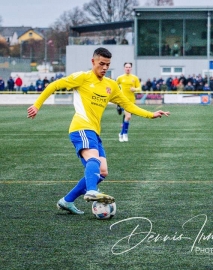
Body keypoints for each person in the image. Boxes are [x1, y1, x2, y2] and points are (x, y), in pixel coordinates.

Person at [27, 47, 169, 215]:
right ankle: (91, 191)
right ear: (92, 61)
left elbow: (127, 105)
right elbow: (54, 85)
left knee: (102, 171)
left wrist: (150, 114)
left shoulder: (110, 85)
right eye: (101, 64)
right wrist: (37, 105)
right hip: (80, 127)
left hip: (94, 131)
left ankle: (67, 201)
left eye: (107, 65)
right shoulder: (82, 77)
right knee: (93, 158)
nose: (104, 68)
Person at [116, 62, 142, 142]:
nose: (128, 68)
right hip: (123, 100)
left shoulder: (135, 78)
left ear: (131, 68)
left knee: (127, 118)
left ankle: (121, 133)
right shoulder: (120, 78)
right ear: (124, 68)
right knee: (128, 117)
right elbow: (115, 87)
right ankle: (125, 134)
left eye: (129, 67)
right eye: (126, 67)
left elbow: (139, 88)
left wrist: (135, 89)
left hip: (132, 101)